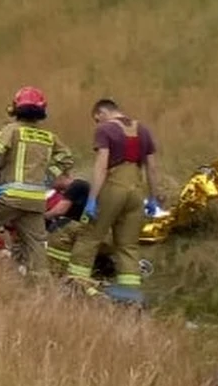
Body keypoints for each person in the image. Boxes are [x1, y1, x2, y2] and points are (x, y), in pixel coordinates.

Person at [0, 86, 75, 274]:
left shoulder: (12, 130)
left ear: (16, 108)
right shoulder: (49, 137)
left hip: (11, 196)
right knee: (37, 245)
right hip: (37, 200)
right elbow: (67, 158)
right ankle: (41, 285)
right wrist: (48, 177)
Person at [63, 98, 160, 299]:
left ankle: (76, 289)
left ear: (100, 113)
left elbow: (101, 166)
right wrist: (152, 198)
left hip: (114, 187)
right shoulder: (143, 130)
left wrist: (92, 199)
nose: (97, 124)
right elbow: (152, 167)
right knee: (128, 246)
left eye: (96, 120)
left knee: (90, 236)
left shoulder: (105, 129)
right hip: (137, 190)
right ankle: (130, 298)